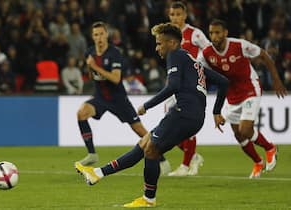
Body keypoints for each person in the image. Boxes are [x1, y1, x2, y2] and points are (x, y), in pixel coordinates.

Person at [75, 23, 229, 207]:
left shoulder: (175, 55)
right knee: (145, 144)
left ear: (171, 43)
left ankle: (148, 199)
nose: (157, 48)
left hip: (184, 114)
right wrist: (216, 111)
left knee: (151, 150)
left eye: (159, 43)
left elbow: (173, 86)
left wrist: (147, 106)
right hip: (191, 116)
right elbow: (223, 82)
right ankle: (98, 173)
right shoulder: (190, 60)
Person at [199, 19, 287, 178]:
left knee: (245, 130)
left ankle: (270, 147)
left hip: (249, 88)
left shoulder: (239, 45)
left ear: (225, 33)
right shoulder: (206, 53)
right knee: (238, 135)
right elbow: (196, 70)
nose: (214, 36)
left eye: (217, 32)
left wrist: (276, 79)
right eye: (211, 33)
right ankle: (258, 162)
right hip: (231, 95)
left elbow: (264, 55)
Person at [75, 22, 148, 165]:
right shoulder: (89, 53)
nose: (99, 37)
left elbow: (116, 78)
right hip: (100, 97)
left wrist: (95, 66)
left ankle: (162, 159)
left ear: (106, 34)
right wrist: (90, 68)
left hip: (118, 99)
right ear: (92, 37)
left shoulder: (114, 53)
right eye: (96, 35)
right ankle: (92, 154)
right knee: (81, 113)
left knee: (139, 130)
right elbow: (91, 77)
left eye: (102, 34)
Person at [162, 1, 211, 176]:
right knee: (169, 123)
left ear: (185, 15)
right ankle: (193, 156)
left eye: (178, 14)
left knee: (185, 121)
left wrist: (198, 65)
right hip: (173, 83)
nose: (175, 18)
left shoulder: (195, 34)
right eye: (172, 15)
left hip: (189, 85)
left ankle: (184, 165)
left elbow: (209, 51)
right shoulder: (168, 35)